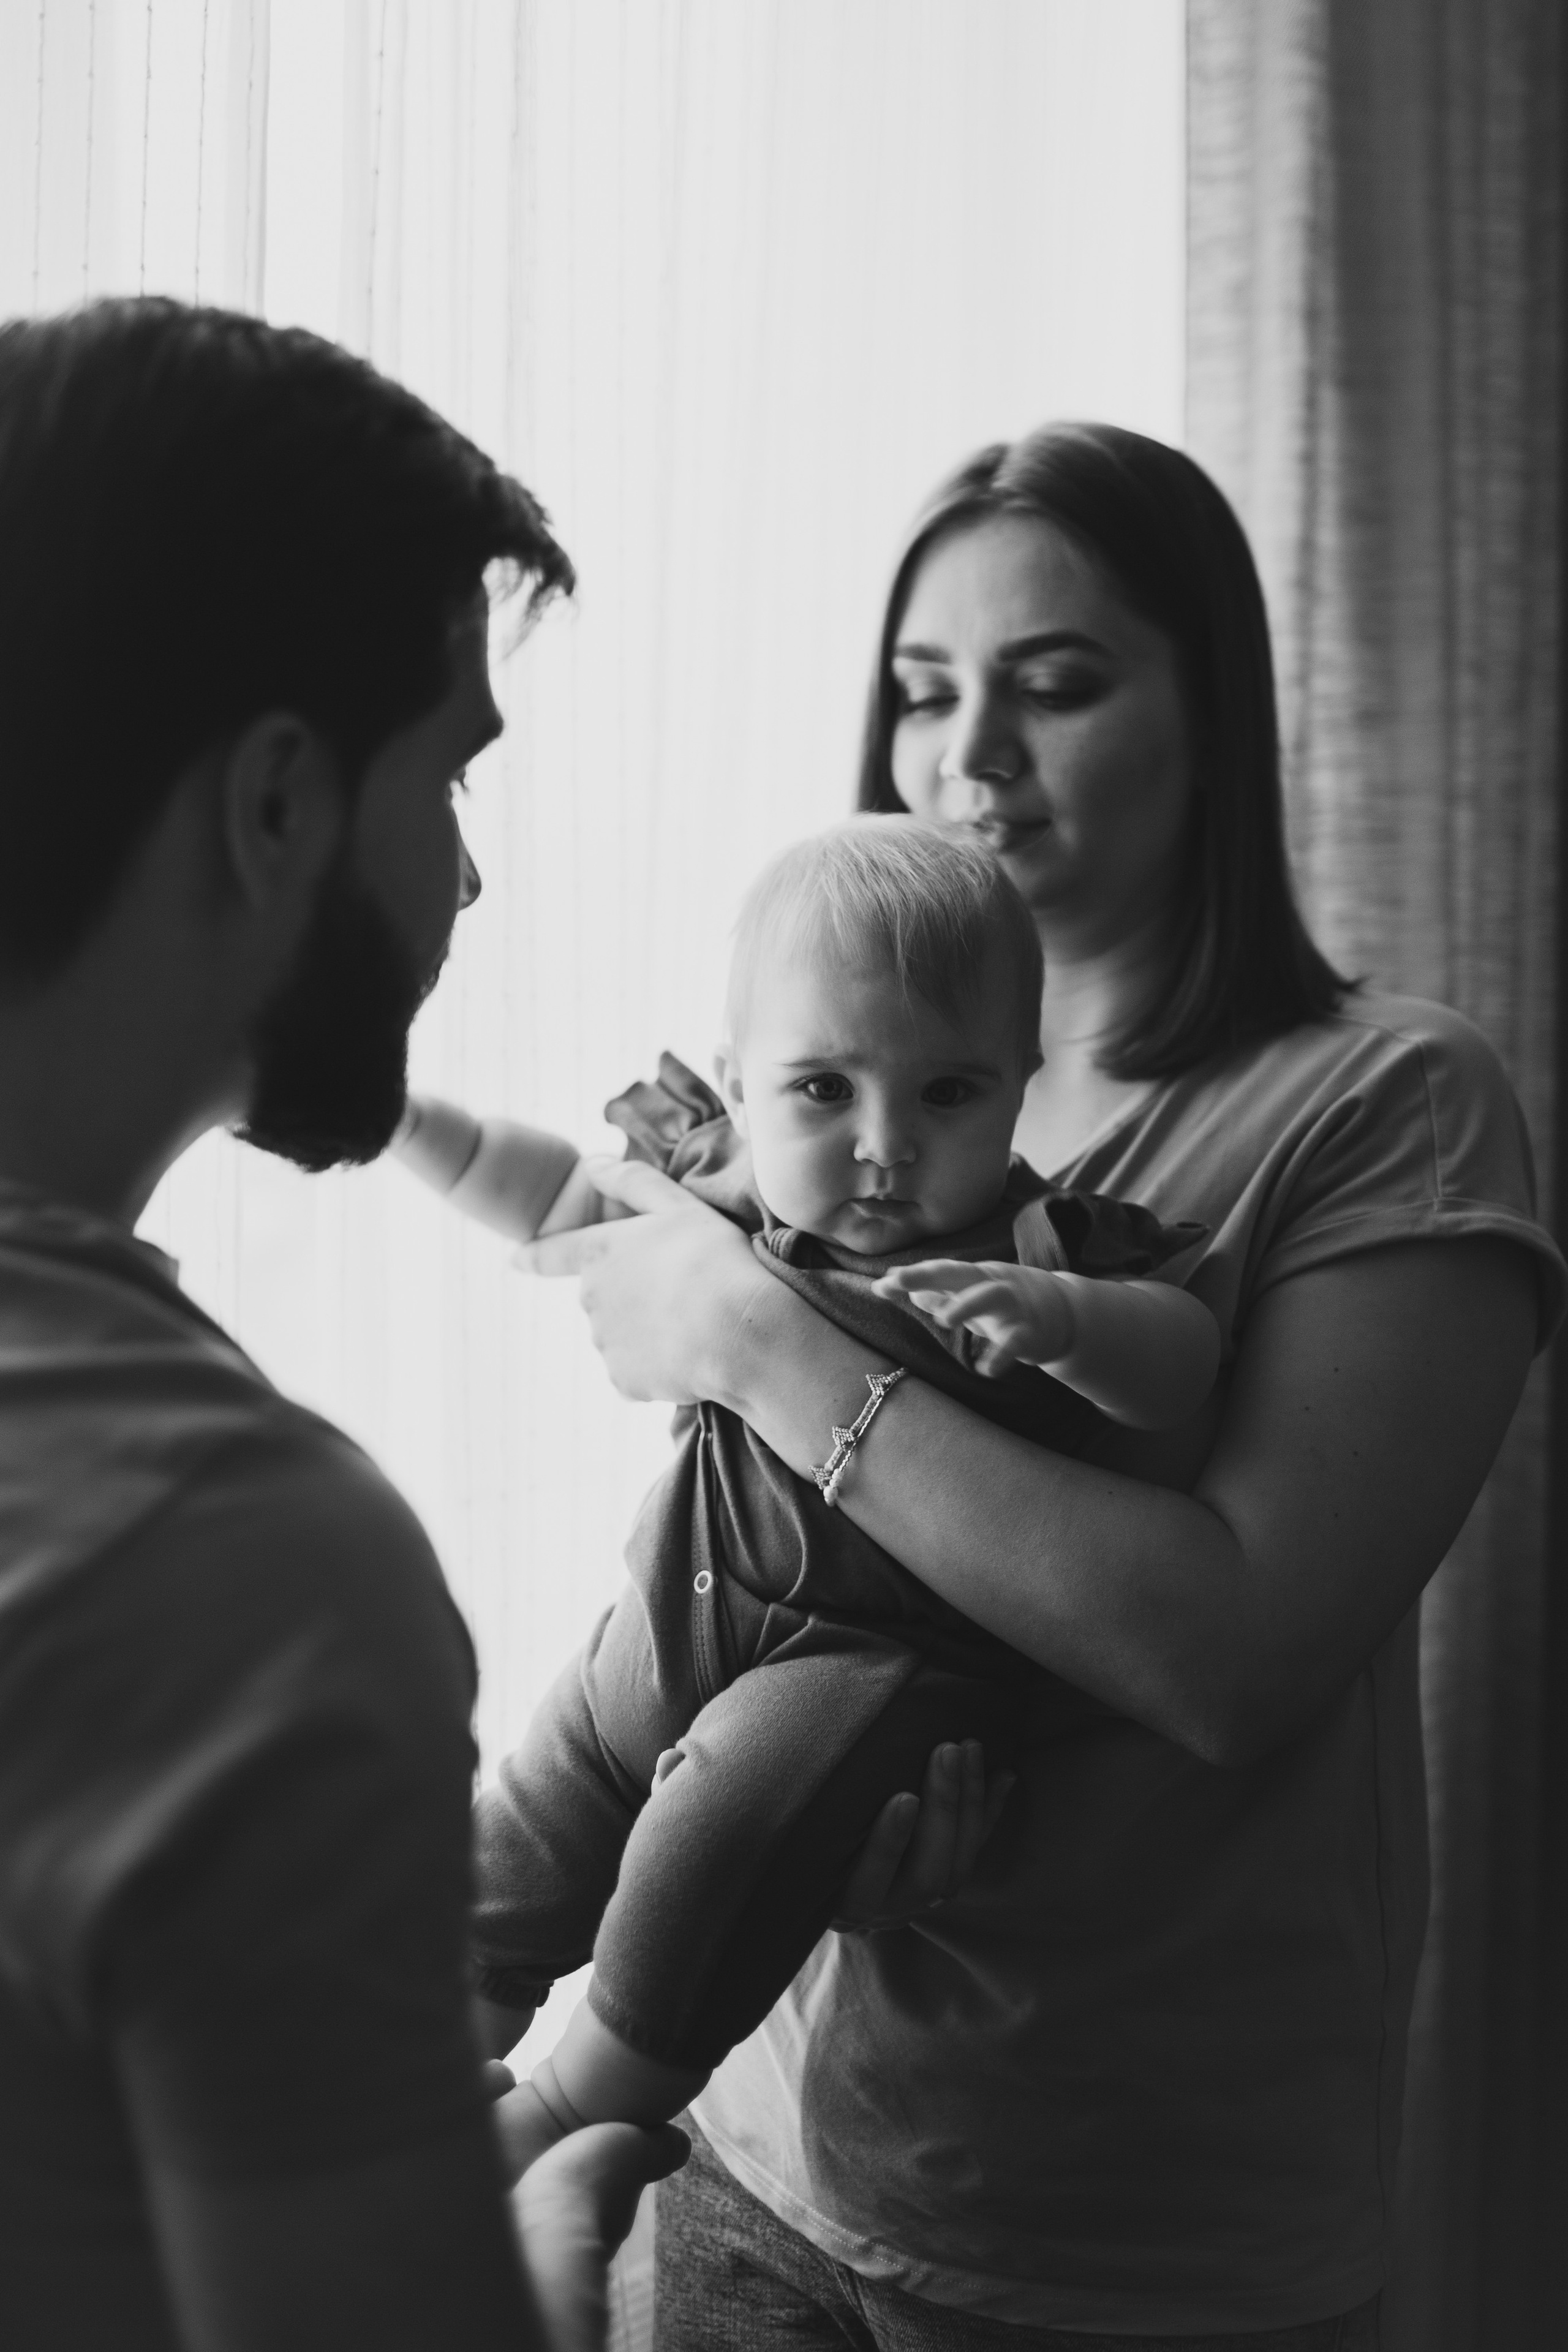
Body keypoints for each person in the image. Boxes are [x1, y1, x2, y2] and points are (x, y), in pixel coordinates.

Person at [526, 424, 1567, 2349]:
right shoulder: (837, 1086)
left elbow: (1228, 1651)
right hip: (758, 2134)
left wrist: (765, 1347)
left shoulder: (1387, 1102)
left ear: (1215, 716)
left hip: (1123, 2226)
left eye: (1056, 685)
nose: (970, 757)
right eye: (926, 694)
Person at [0, 296, 696, 2352]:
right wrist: (555, 2280)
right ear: (278, 804)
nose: (467, 886)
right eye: (450, 780)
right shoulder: (235, 1568)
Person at [391, 817, 1218, 2164]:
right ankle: (432, 2031)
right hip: (668, 1622)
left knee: (719, 1829)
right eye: (823, 1092)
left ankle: (564, 2107)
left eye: (947, 1093)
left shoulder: (1028, 1243)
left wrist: (1066, 1322)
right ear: (737, 1082)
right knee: (544, 1789)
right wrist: (396, 1121)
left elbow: (1182, 1361)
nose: (884, 1146)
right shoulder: (725, 1193)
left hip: (866, 1672)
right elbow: (546, 1189)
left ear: (1020, 1085)